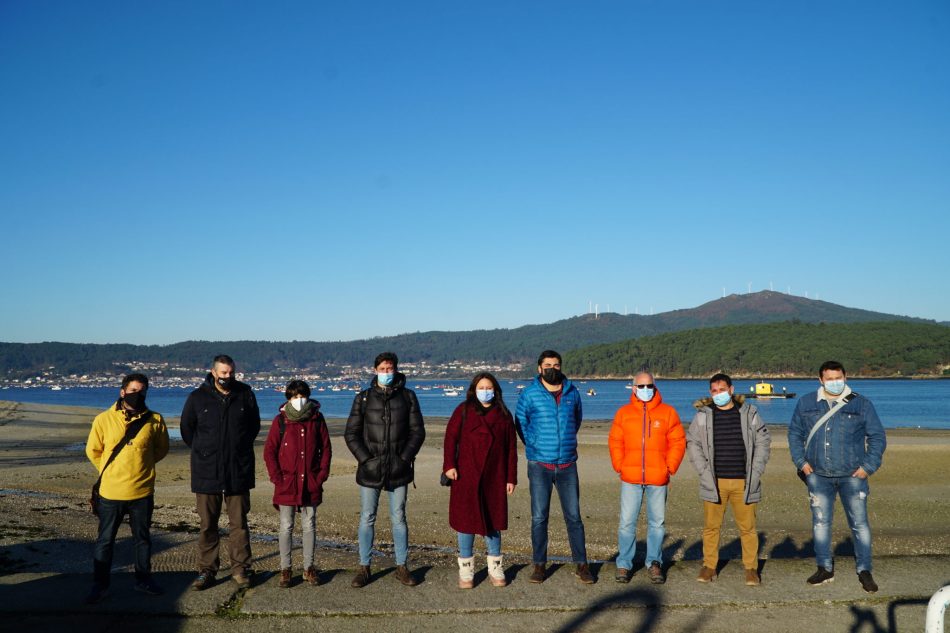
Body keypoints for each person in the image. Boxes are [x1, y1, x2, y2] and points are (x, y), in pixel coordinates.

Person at [788, 360, 886, 593]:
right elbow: (794, 433)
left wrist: (868, 466)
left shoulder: (862, 404)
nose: (834, 382)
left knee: (860, 524)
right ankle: (824, 568)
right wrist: (802, 463)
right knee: (821, 523)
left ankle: (864, 570)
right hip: (818, 475)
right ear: (820, 380)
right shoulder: (805, 403)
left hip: (853, 475)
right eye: (829, 378)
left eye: (838, 377)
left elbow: (877, 437)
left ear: (845, 377)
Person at [84, 373, 169, 604]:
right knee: (105, 540)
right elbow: (93, 451)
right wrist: (111, 471)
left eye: (142, 391)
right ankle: (100, 585)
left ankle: (144, 580)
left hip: (142, 491)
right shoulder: (103, 419)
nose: (137, 395)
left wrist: (142, 466)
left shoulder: (155, 420)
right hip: (110, 492)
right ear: (122, 392)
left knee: (142, 539)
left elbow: (161, 449)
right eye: (133, 390)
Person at [344, 352, 426, 588]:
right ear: (375, 370)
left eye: (390, 369)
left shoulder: (408, 397)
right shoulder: (363, 399)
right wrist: (366, 459)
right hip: (370, 470)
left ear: (396, 370)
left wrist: (404, 457)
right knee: (367, 517)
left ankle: (402, 566)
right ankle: (364, 567)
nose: (386, 373)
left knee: (399, 518)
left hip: (399, 470)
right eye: (382, 369)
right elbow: (351, 433)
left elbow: (417, 432)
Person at [180, 354, 261, 590]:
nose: (228, 376)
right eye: (223, 373)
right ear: (213, 372)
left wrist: (239, 448)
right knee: (207, 525)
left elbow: (253, 426)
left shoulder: (245, 394)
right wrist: (204, 451)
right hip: (206, 472)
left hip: (238, 470)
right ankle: (207, 570)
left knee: (239, 524)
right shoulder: (197, 398)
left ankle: (241, 568)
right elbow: (187, 430)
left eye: (231, 372)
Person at [515, 350, 594, 584]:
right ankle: (539, 565)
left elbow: (576, 420)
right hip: (540, 464)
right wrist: (535, 444)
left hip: (568, 464)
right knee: (539, 517)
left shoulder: (572, 392)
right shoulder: (529, 394)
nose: (552, 368)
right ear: (539, 368)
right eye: (548, 365)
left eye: (556, 365)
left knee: (574, 517)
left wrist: (566, 442)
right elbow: (520, 422)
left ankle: (582, 565)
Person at [687, 373, 771, 586]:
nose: (718, 394)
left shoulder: (749, 413)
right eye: (714, 391)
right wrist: (703, 470)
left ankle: (751, 569)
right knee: (711, 527)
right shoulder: (703, 416)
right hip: (714, 482)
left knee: (748, 528)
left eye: (722, 390)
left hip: (744, 481)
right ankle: (709, 566)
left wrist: (757, 468)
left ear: (731, 390)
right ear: (710, 393)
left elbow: (763, 440)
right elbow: (693, 442)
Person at [608, 371, 686, 584]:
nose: (645, 390)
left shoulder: (668, 412)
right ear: (633, 388)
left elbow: (678, 441)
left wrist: (669, 467)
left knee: (657, 524)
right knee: (626, 523)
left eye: (649, 386)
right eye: (641, 386)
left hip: (658, 478)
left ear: (655, 386)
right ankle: (624, 564)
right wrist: (619, 465)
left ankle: (654, 563)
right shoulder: (623, 413)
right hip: (630, 477)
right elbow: (615, 441)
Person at [443, 372, 518, 589]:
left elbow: (511, 449)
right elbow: (450, 438)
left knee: (493, 522)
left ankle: (495, 565)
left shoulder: (504, 414)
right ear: (474, 390)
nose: (485, 390)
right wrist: (449, 465)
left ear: (496, 390)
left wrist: (511, 478)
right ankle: (466, 569)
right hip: (465, 475)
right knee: (465, 522)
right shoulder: (463, 410)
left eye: (489, 387)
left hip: (495, 476)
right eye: (481, 387)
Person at [263, 380, 332, 588]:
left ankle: (309, 568)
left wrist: (320, 476)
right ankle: (286, 569)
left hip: (310, 482)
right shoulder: (280, 421)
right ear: (288, 399)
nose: (299, 400)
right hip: (287, 483)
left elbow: (326, 450)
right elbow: (270, 452)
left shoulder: (317, 420)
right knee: (286, 526)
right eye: (294, 397)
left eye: (302, 396)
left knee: (309, 525)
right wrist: (277, 478)